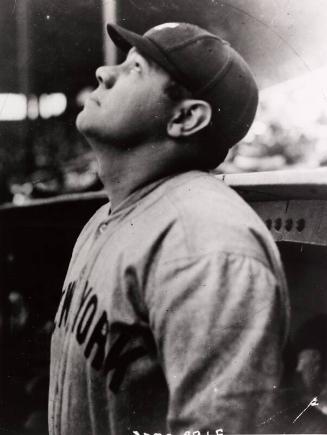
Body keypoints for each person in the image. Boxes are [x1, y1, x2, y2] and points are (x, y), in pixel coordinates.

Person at [49, 22, 290, 434]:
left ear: (185, 117)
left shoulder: (207, 244)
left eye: (136, 68)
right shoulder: (109, 215)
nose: (104, 73)